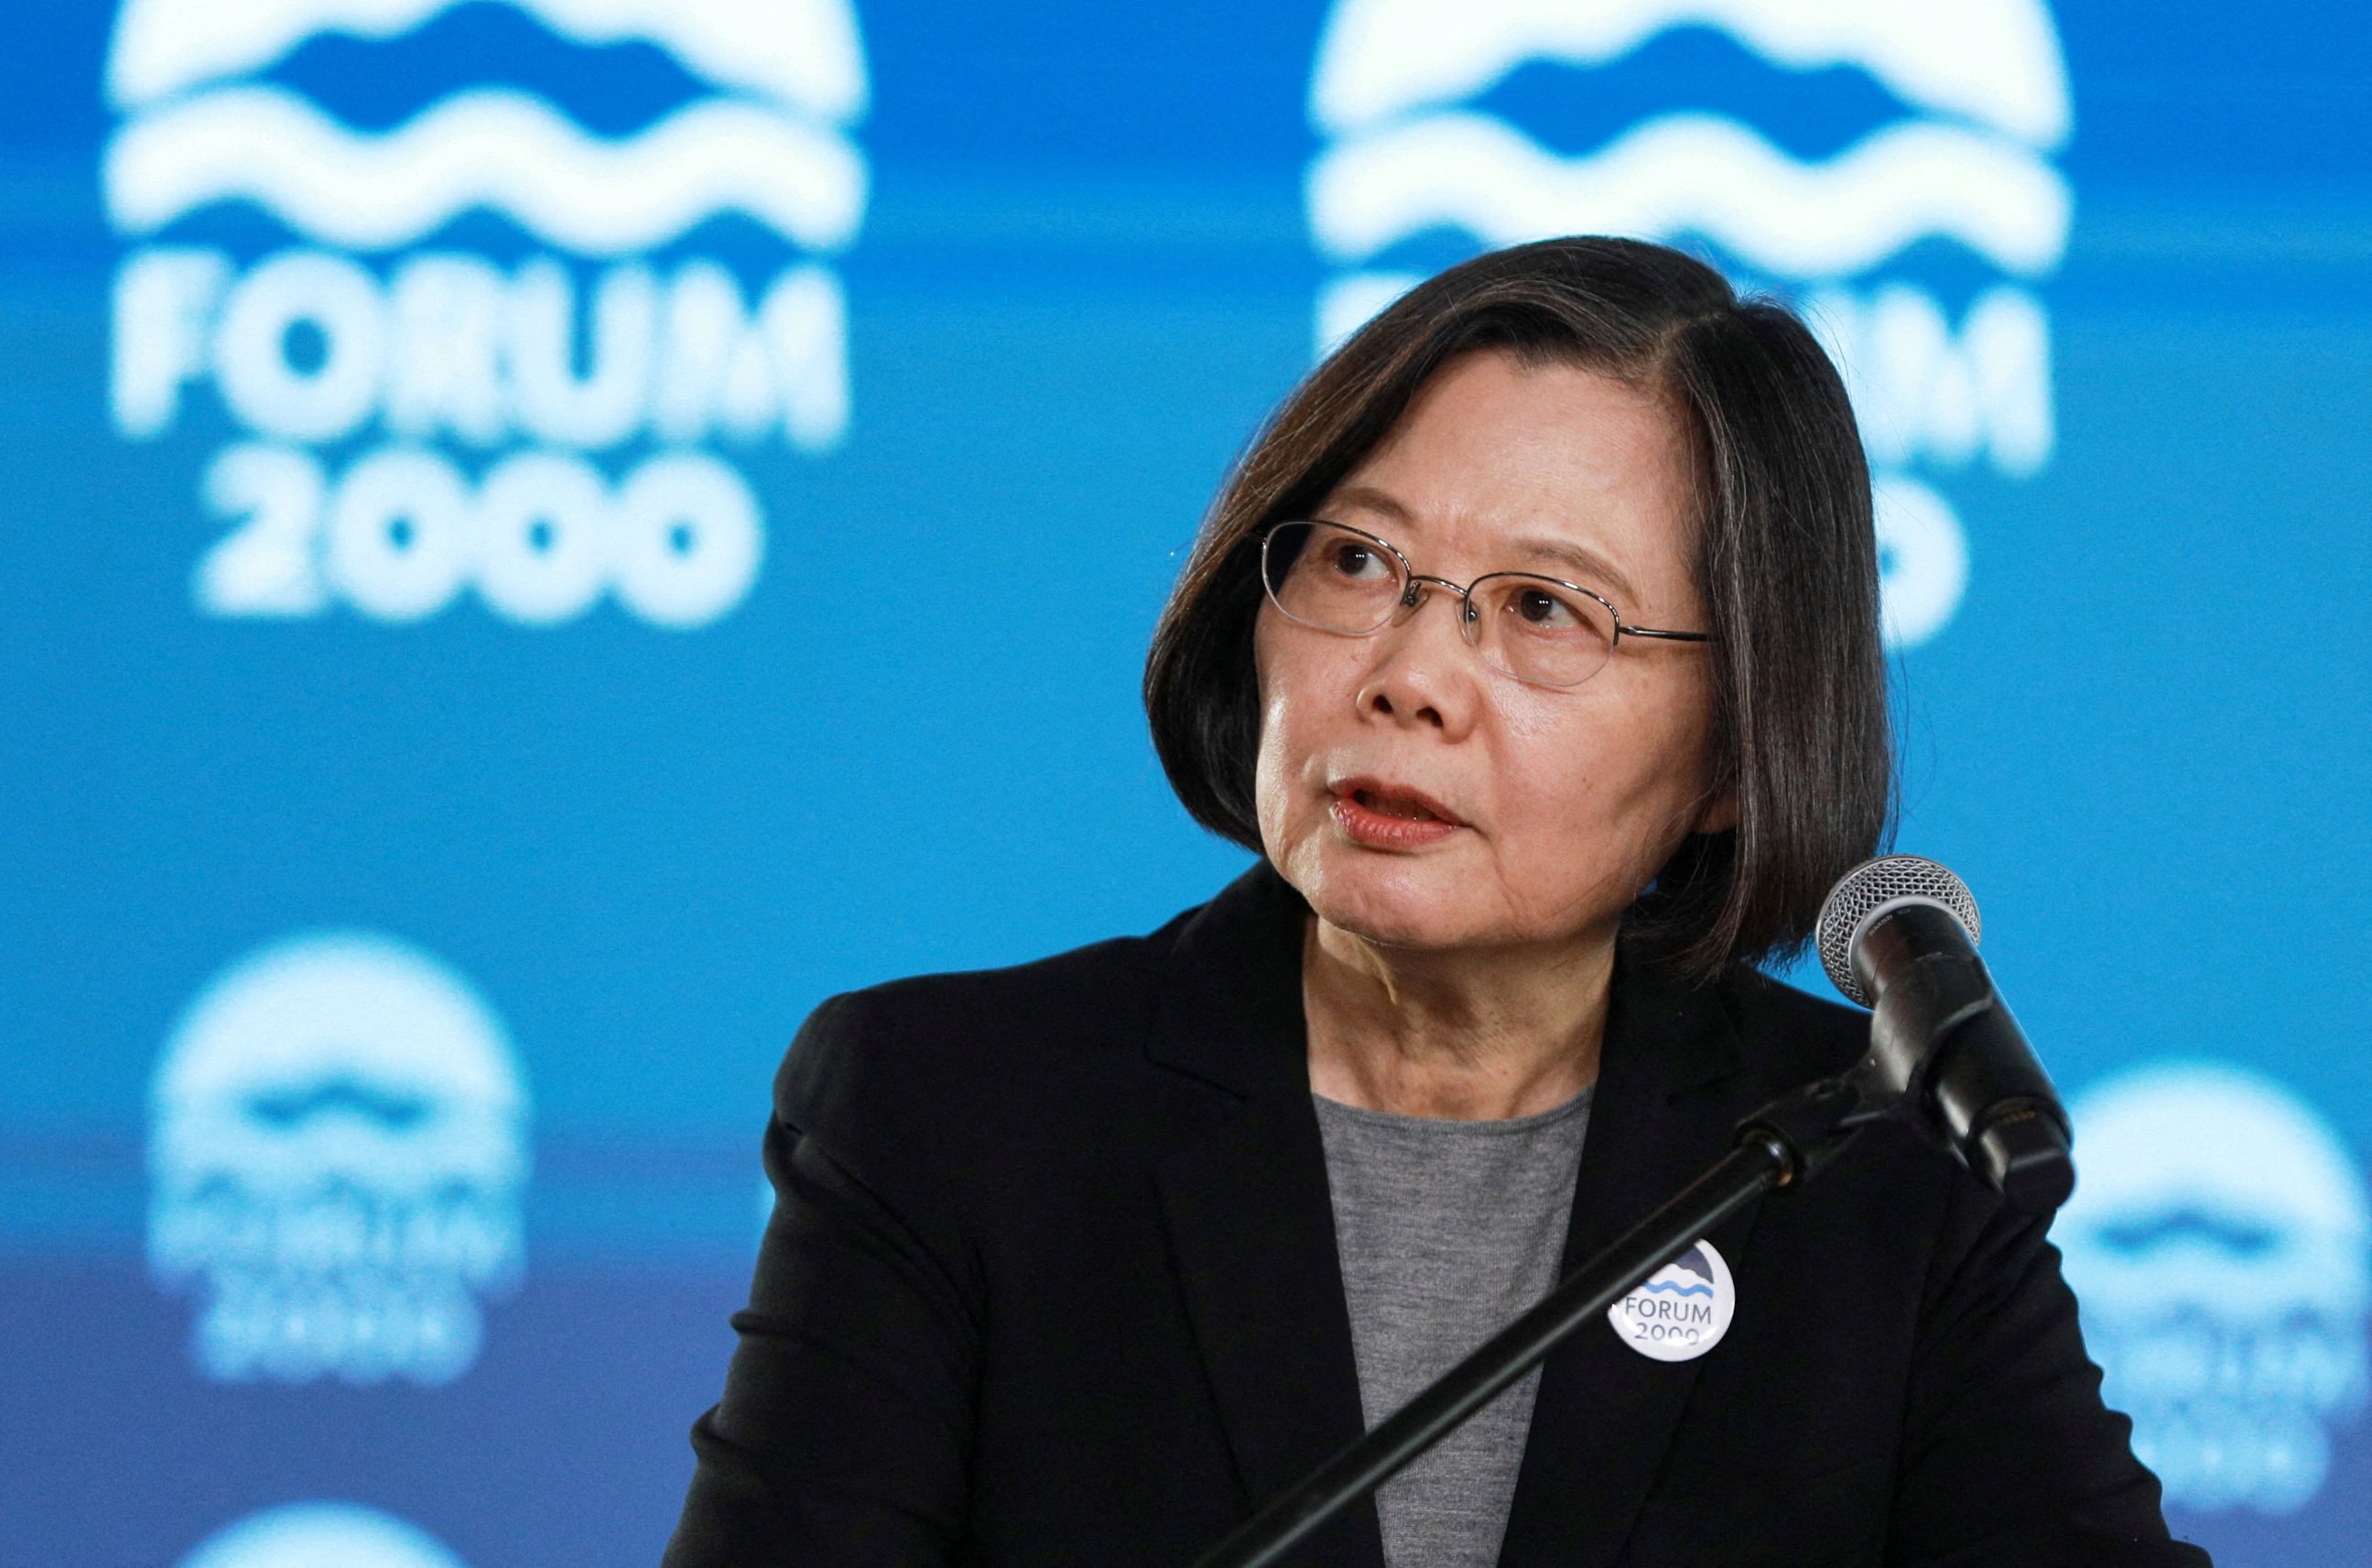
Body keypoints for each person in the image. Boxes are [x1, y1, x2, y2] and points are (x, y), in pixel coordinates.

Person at [666, 238, 2204, 1568]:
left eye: (1543, 607)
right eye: (1354, 560)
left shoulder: (1881, 1182)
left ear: (1738, 747)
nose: (1404, 676)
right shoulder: (951, 1116)